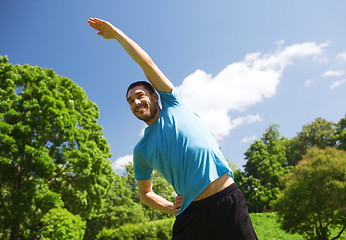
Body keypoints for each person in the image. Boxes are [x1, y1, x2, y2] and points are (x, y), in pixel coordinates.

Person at [88, 17, 258, 240]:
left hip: (226, 201)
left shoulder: (173, 104)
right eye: (130, 101)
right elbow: (145, 194)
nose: (136, 103)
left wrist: (118, 35)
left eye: (140, 96)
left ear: (154, 95)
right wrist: (169, 206)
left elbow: (146, 64)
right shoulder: (141, 150)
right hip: (191, 216)